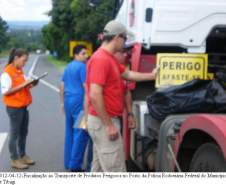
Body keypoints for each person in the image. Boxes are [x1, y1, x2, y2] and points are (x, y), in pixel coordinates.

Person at [86, 20, 158, 172]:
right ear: (117, 37)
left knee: (99, 169)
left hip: (101, 122)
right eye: (125, 39)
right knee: (116, 170)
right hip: (104, 122)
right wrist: (108, 125)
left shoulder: (109, 58)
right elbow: (94, 94)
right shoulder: (101, 59)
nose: (125, 44)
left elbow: (128, 74)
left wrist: (152, 76)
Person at [0, 48, 38, 169]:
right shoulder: (7, 72)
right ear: (16, 58)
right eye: (24, 60)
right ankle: (14, 159)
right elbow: (5, 91)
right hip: (14, 108)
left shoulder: (19, 70)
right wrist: (23, 84)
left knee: (23, 133)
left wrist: (32, 83)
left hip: (23, 106)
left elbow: (23, 87)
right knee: (15, 134)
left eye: (26, 61)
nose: (24, 63)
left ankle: (22, 155)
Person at [59, 45, 92, 171]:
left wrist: (62, 103)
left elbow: (62, 85)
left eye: (86, 53)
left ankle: (68, 162)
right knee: (81, 132)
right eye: (83, 53)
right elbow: (86, 87)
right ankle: (75, 165)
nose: (86, 56)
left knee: (70, 132)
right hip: (79, 102)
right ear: (76, 55)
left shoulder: (68, 66)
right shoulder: (83, 67)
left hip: (68, 101)